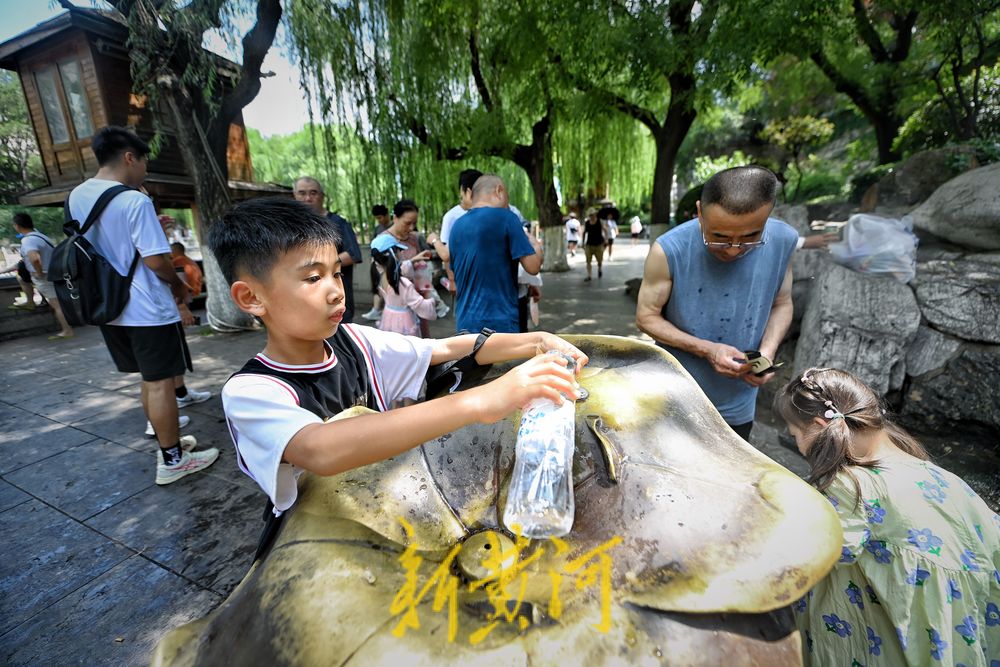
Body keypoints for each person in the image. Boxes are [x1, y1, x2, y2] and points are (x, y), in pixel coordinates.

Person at [210, 196, 586, 518]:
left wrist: (535, 339)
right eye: (313, 278)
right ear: (251, 298)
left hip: (386, 510)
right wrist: (482, 400)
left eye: (337, 274)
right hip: (317, 542)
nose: (336, 292)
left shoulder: (354, 341)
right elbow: (318, 448)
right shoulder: (251, 391)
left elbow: (443, 349)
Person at [774, 367, 1000, 667]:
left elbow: (815, 555)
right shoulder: (938, 475)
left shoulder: (850, 485)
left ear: (818, 425)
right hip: (959, 627)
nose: (798, 445)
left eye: (794, 435)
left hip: (901, 635)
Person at [67, 126, 218, 484]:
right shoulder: (133, 200)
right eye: (143, 163)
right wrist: (180, 288)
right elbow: (155, 261)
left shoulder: (77, 196)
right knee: (161, 383)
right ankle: (173, 459)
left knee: (149, 380)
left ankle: (171, 444)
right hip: (146, 307)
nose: (144, 172)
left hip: (108, 305)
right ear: (129, 157)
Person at [635, 165, 797, 441]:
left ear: (768, 217)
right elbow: (646, 317)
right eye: (719, 237)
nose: (733, 249)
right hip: (675, 395)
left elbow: (782, 303)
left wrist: (765, 355)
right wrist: (707, 350)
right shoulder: (669, 249)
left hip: (738, 403)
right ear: (699, 212)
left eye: (749, 238)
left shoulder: (784, 240)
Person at [448, 175, 542, 334]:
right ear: (499, 191)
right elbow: (533, 267)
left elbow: (454, 270)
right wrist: (535, 245)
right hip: (499, 320)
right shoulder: (507, 218)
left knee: (475, 359)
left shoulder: (457, 225)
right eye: (507, 196)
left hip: (465, 322)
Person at [293, 177, 363, 324]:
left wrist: (314, 267)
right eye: (302, 193)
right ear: (294, 196)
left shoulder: (338, 223)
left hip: (335, 299)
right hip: (304, 303)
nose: (308, 198)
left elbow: (353, 255)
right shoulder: (290, 226)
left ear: (322, 196)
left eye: (313, 193)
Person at [373, 199, 449, 335]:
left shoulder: (414, 238)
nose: (411, 228)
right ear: (395, 218)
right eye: (408, 223)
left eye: (414, 223)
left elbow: (421, 264)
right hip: (399, 300)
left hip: (418, 295)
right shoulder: (382, 241)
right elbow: (382, 272)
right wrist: (412, 262)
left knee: (422, 335)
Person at [0, 213, 74, 339]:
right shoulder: (40, 236)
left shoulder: (28, 240)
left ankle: (67, 331)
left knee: (56, 305)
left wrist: (38, 273)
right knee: (22, 279)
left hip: (44, 276)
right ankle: (30, 302)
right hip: (52, 273)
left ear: (17, 226)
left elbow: (34, 259)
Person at [371, 234, 437, 337]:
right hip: (404, 321)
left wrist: (413, 260)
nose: (401, 252)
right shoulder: (402, 283)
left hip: (388, 317)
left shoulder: (380, 276)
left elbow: (401, 267)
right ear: (393, 254)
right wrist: (432, 302)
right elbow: (419, 305)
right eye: (398, 250)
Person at [362, 204, 392, 321]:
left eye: (380, 217)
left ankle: (381, 311)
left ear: (386, 215)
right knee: (376, 285)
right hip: (377, 261)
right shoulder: (378, 229)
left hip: (389, 262)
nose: (379, 220)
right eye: (377, 218)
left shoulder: (395, 226)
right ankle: (376, 310)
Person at [581, 207, 607, 282]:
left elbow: (605, 230)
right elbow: (584, 232)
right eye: (590, 215)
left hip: (599, 244)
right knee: (588, 261)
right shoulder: (587, 223)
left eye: (593, 214)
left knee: (599, 260)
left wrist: (606, 239)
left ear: (595, 214)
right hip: (589, 244)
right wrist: (583, 243)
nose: (592, 216)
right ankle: (589, 275)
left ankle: (599, 269)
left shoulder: (600, 221)